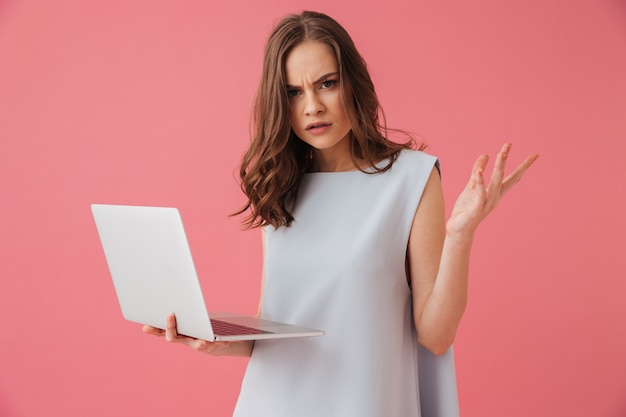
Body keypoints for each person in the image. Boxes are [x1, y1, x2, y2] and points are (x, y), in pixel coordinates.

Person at [143, 10, 538, 416]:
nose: (312, 106)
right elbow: (273, 325)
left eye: (326, 84)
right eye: (294, 92)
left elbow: (436, 336)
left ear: (353, 82)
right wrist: (213, 339)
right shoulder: (279, 186)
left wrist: (461, 234)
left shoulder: (412, 179)